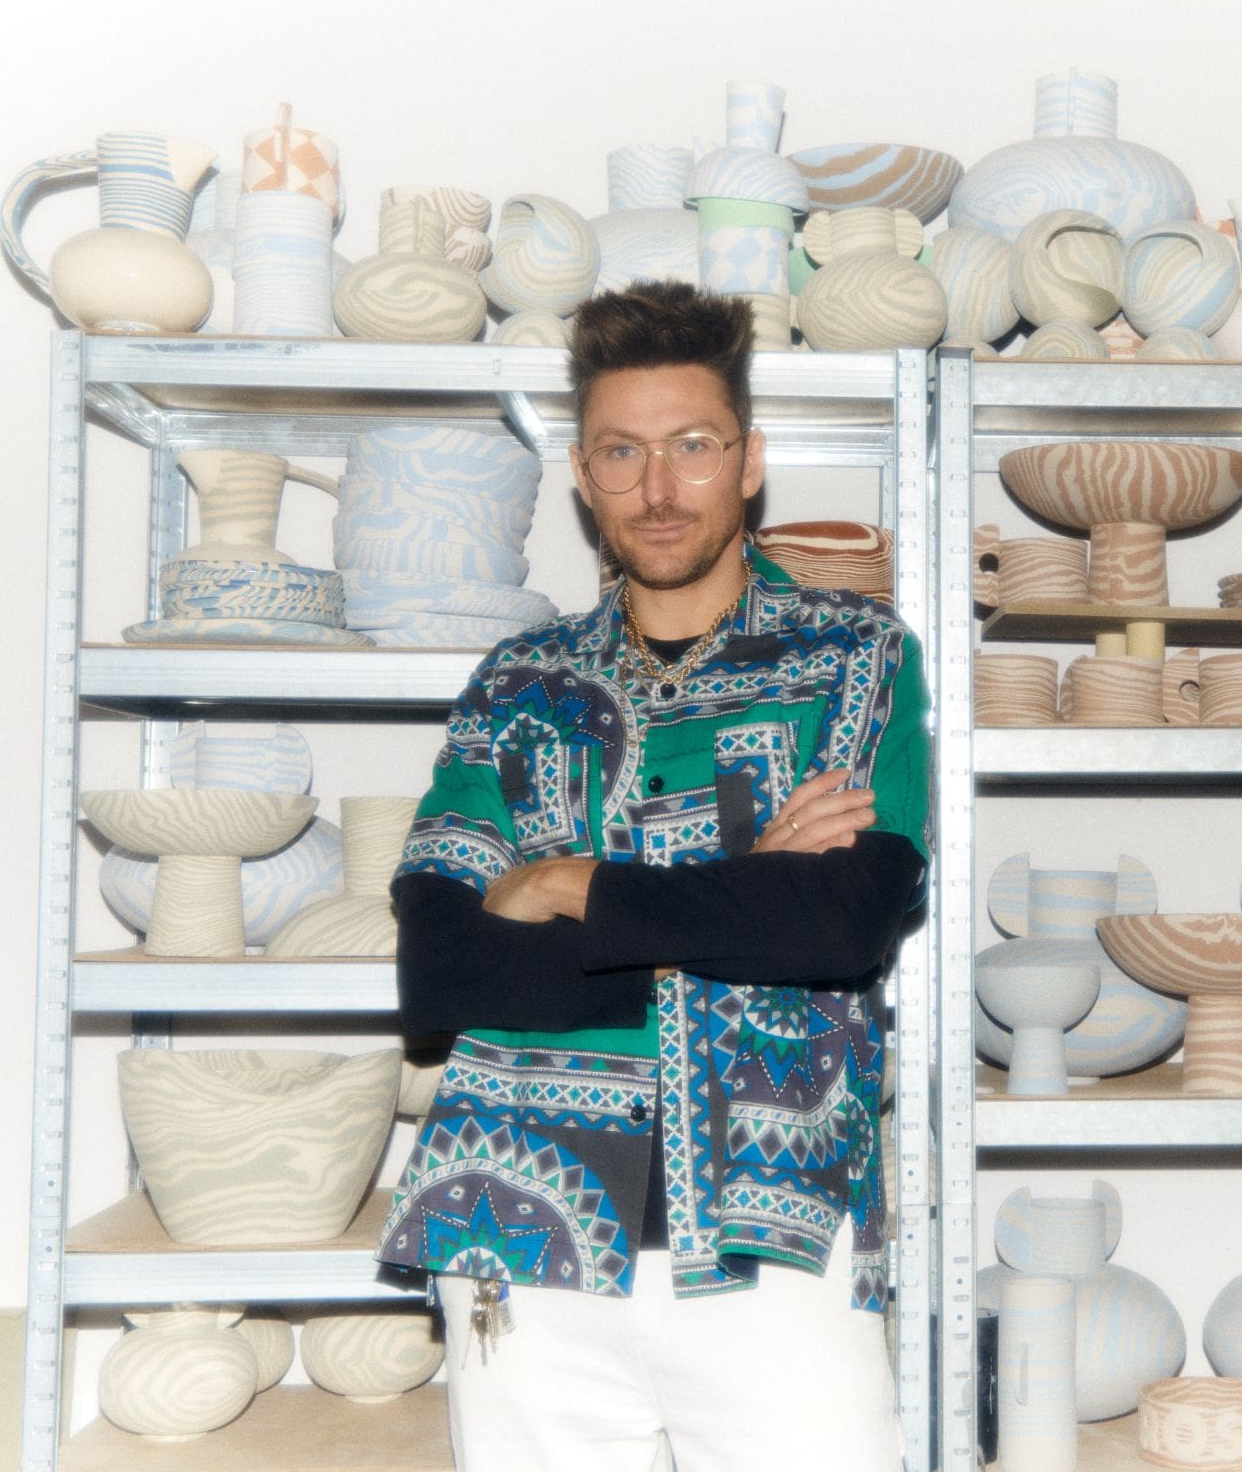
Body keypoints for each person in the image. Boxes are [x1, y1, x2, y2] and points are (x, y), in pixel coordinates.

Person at [376, 281, 930, 1472]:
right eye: (622, 453)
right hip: (524, 1238)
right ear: (583, 473)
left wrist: (562, 882)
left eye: (691, 446)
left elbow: (838, 928)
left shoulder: (853, 658)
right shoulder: (518, 687)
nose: (658, 487)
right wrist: (741, 898)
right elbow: (441, 973)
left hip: (774, 1241)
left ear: (749, 460)